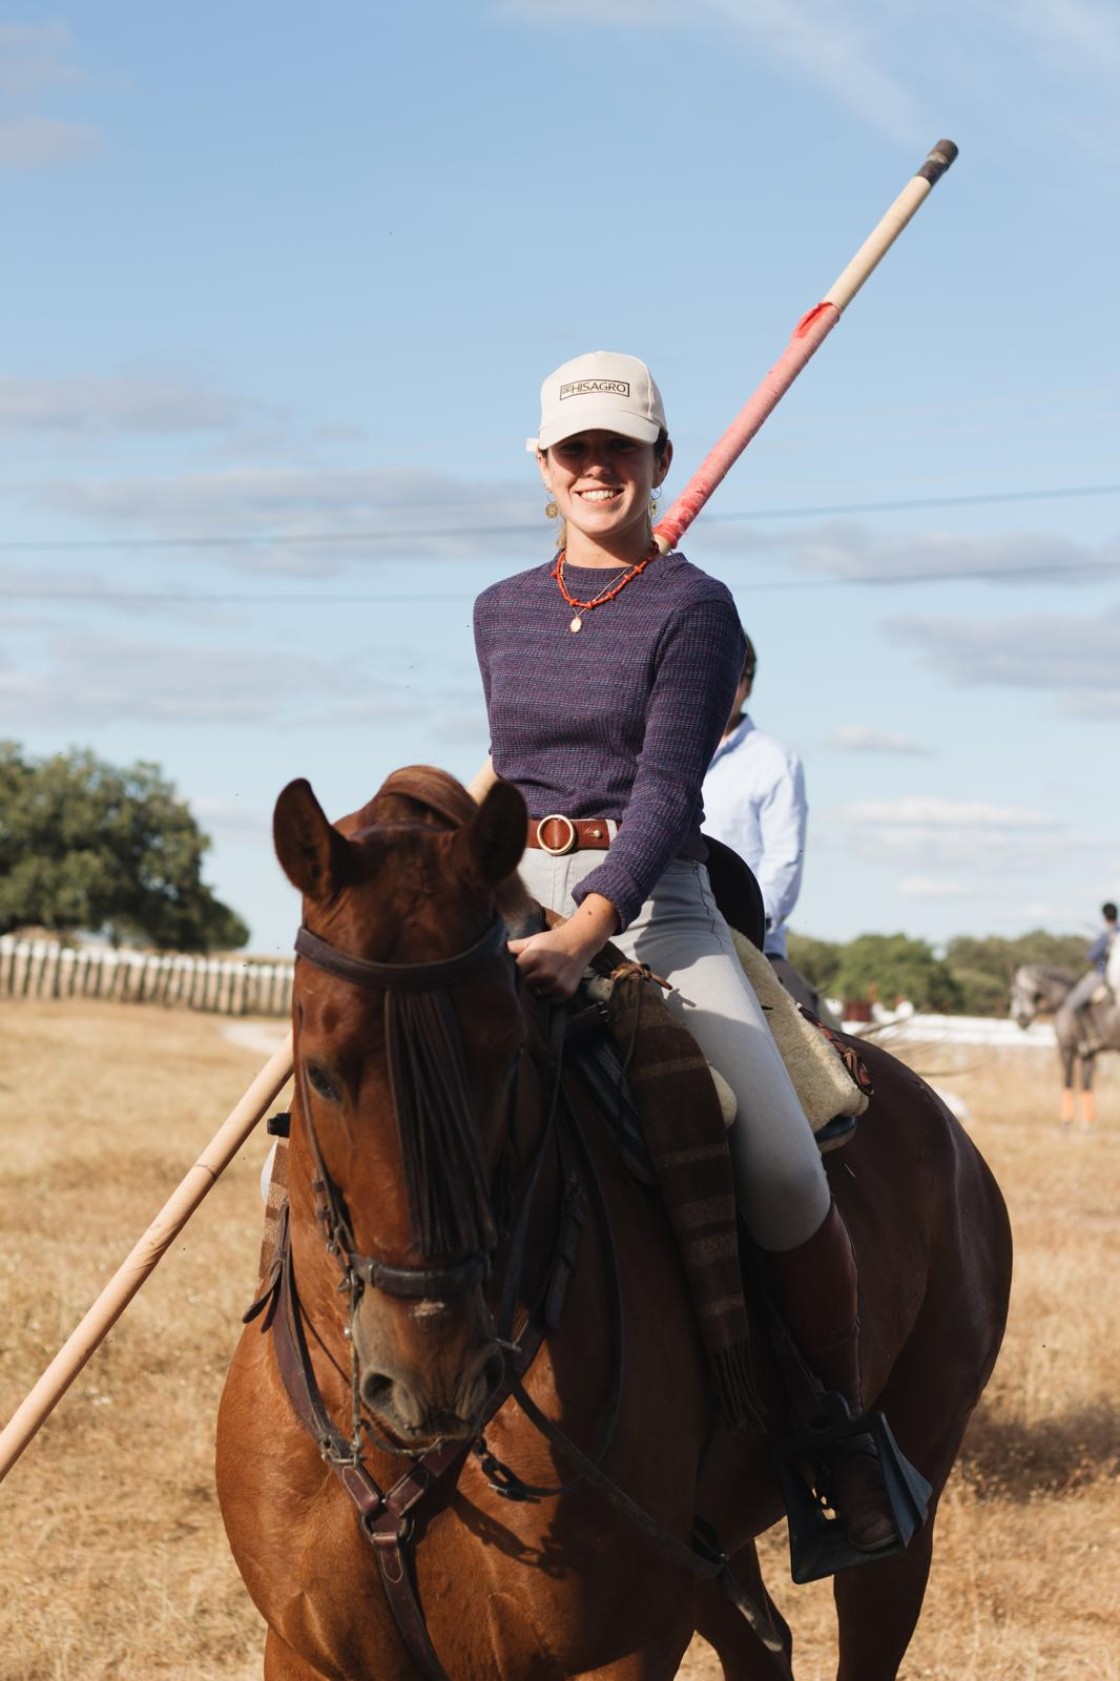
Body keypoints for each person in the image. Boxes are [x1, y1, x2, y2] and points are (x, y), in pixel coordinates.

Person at [471, 350, 899, 1556]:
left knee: (778, 1167)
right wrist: (496, 898)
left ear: (658, 460)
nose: (595, 467)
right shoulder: (496, 608)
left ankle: (832, 1433)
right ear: (542, 468)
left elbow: (665, 792)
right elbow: (511, 775)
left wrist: (583, 928)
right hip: (511, 893)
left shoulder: (695, 607)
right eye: (573, 450)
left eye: (619, 447)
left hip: (653, 900)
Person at [702, 635, 822, 1013]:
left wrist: (742, 927)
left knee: (809, 1057)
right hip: (664, 926)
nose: (717, 687)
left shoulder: (775, 761)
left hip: (750, 941)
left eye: (730, 677)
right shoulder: (660, 750)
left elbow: (784, 862)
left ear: (747, 685)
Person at [1068, 901, 1118, 1049]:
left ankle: (1090, 1037)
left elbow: (1091, 957)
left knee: (1073, 1002)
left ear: (1104, 917)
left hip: (1103, 971)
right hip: (1113, 972)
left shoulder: (1107, 935)